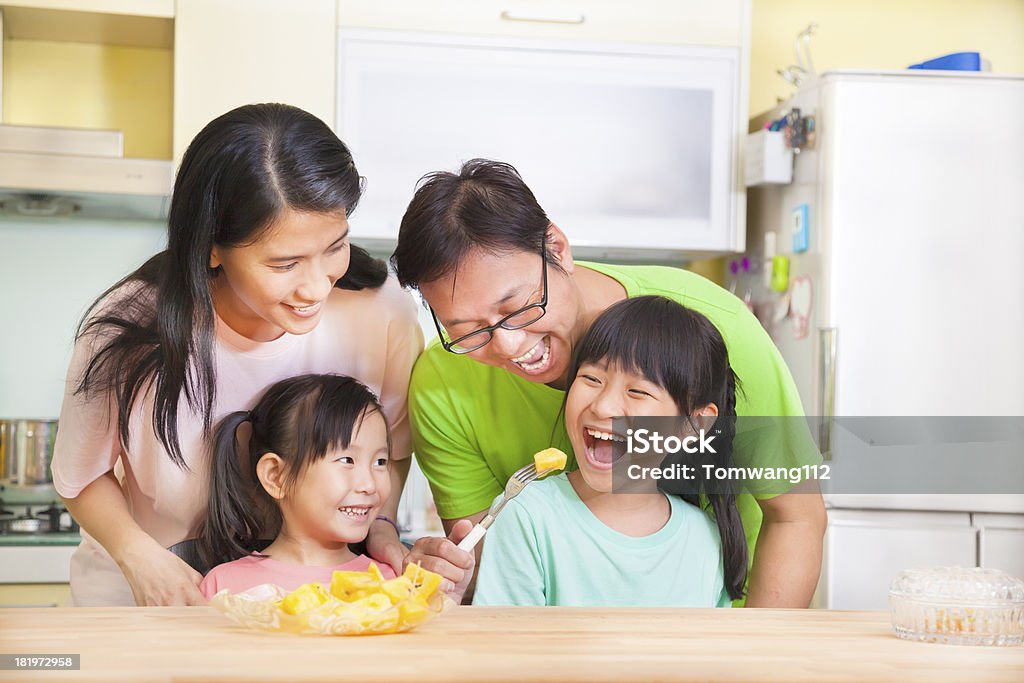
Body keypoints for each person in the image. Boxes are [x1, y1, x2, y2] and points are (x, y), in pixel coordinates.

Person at [393, 159, 825, 606]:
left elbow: (795, 517)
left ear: (556, 248)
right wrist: (447, 575)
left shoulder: (714, 330)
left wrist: (752, 662)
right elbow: (491, 565)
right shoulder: (442, 383)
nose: (506, 344)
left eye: (517, 306)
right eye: (467, 330)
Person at [51, 104, 422, 606]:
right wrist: (138, 555)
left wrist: (379, 526)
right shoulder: (132, 328)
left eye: (335, 247)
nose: (316, 286)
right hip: (152, 593)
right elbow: (80, 474)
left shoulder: (381, 313)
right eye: (285, 263)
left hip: (309, 600)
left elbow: (393, 451)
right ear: (212, 248)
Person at [472, 297, 745, 607]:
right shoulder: (527, 515)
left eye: (638, 391)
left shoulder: (706, 539)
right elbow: (506, 647)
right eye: (591, 379)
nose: (602, 406)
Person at [199, 375, 398, 597]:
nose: (369, 485)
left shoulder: (393, 584)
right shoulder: (222, 586)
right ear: (276, 476)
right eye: (347, 460)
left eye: (380, 462)